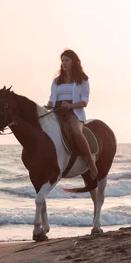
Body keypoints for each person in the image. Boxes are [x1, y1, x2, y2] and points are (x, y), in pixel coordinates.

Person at [45, 49, 98, 179]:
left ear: (74, 62)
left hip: (74, 112)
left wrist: (70, 105)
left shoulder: (83, 80)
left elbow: (84, 102)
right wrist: (47, 107)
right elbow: (52, 99)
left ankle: (90, 162)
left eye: (67, 60)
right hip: (57, 111)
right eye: (62, 60)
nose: (64, 63)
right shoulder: (56, 81)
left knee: (75, 131)